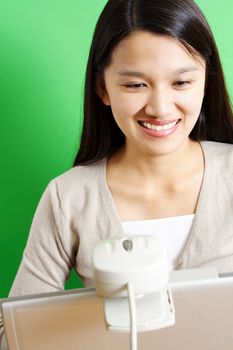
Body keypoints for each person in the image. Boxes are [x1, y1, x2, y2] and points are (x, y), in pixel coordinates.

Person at [1, 0, 233, 348]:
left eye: (182, 82)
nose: (160, 107)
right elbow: (14, 334)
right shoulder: (69, 197)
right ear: (102, 88)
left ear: (206, 82)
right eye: (136, 85)